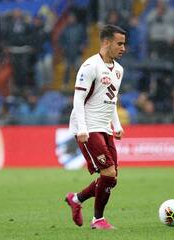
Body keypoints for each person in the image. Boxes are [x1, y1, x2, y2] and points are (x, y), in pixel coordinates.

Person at [65, 25, 126, 230]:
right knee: (108, 174)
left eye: (124, 44)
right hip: (88, 126)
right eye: (119, 43)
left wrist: (116, 125)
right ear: (106, 42)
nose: (123, 48)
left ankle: (76, 199)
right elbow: (78, 99)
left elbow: (111, 100)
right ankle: (98, 220)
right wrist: (82, 129)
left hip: (105, 127)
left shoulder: (118, 70)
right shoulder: (90, 66)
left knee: (112, 178)